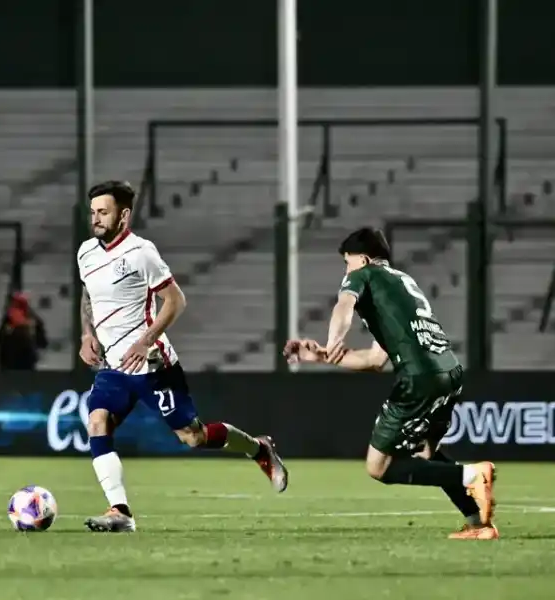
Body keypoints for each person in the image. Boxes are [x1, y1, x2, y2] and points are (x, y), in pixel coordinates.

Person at [77, 180, 289, 533]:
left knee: (193, 437)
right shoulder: (86, 252)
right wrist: (87, 334)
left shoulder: (141, 252)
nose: (96, 219)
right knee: (98, 422)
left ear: (124, 215)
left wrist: (146, 341)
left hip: (152, 365)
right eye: (93, 212)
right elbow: (89, 295)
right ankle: (120, 511)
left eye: (104, 212)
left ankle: (258, 448)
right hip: (113, 366)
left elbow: (176, 301)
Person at [283, 227, 498, 541]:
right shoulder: (399, 284)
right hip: (449, 373)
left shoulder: (364, 275)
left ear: (365, 258)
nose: (346, 270)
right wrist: (320, 357)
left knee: (379, 466)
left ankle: (473, 474)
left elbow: (342, 306)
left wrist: (331, 341)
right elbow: (374, 360)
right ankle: (478, 523)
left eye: (348, 262)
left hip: (420, 378)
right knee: (426, 453)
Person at [0, 292, 47, 370]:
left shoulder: (32, 320)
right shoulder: (10, 319)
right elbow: (42, 343)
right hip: (14, 362)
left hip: (19, 361)